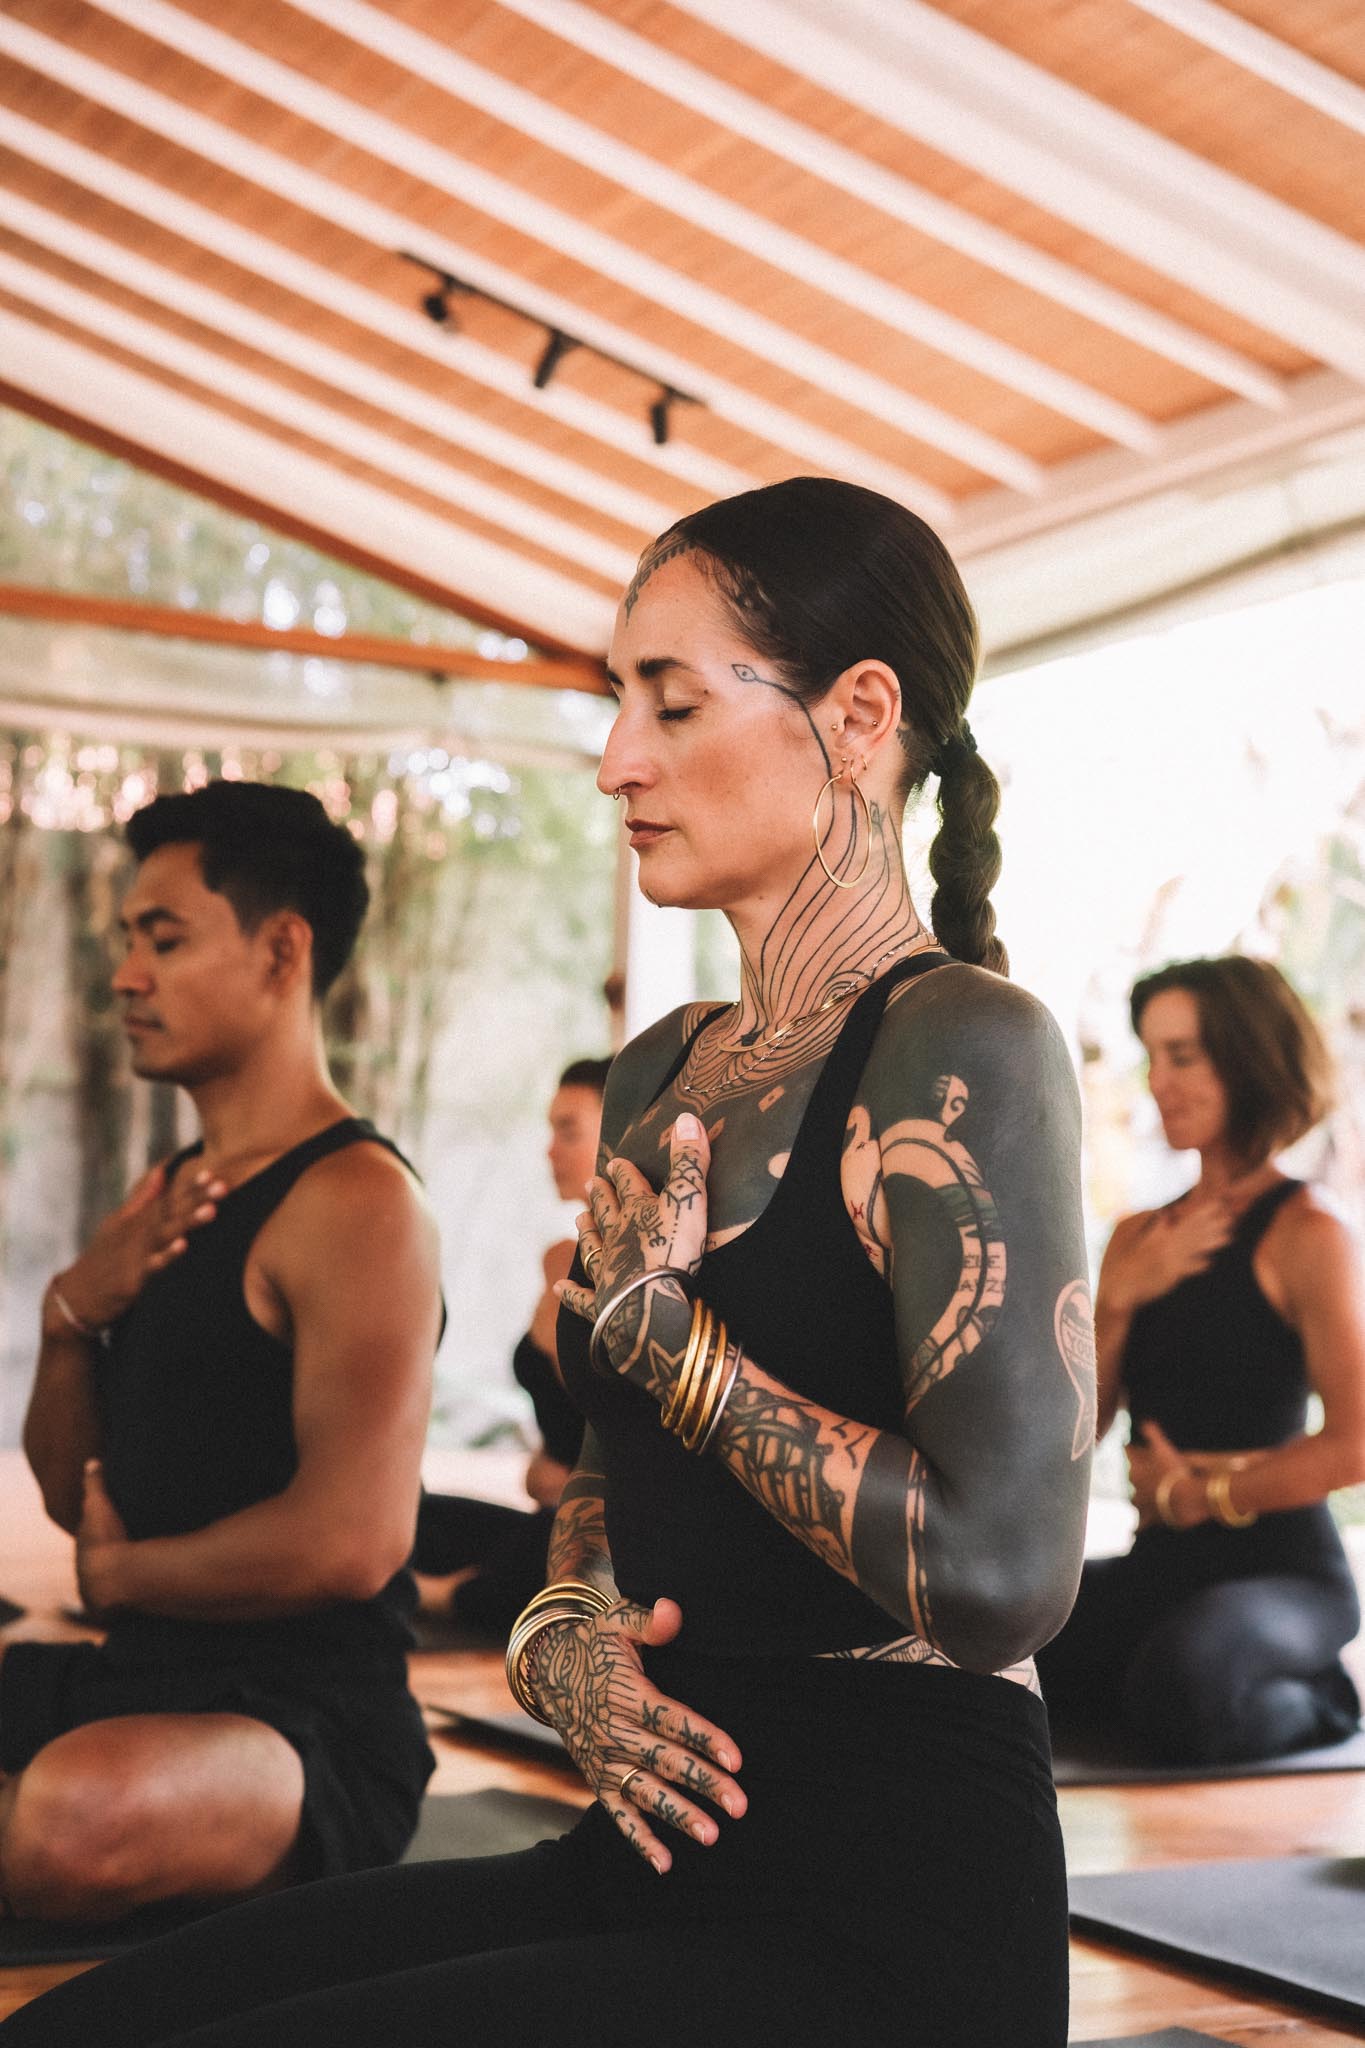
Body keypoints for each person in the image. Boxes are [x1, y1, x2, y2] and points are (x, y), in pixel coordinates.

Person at [2, 477, 1092, 2047]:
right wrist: (563, 1638)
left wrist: (674, 1345)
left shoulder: (964, 1047)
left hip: (887, 1904)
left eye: (669, 701)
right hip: (650, 1848)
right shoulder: (661, 1074)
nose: (615, 762)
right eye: (613, 704)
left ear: (858, 718)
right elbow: (600, 1476)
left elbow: (1003, 1577)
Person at [0, 781, 442, 1922]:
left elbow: (352, 1540)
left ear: (281, 949)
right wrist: (67, 1316)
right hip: (137, 1675)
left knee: (74, 1813)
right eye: (124, 942)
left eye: (164, 938)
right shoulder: (169, 1193)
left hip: (302, 1724)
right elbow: (73, 1493)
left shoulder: (360, 1200)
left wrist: (126, 1576)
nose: (126, 977)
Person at [1038, 955, 1365, 1765]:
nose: (1159, 1082)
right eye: (1152, 1056)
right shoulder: (1134, 1238)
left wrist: (1202, 1492)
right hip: (1163, 1566)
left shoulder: (1306, 1232)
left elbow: (1355, 1441)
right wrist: (1117, 1299)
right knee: (1006, 1662)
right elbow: (1079, 1430)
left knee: (1181, 1684)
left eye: (1183, 1056)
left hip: (1284, 1573)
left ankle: (1324, 1698)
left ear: (1248, 1057)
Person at [412, 1058, 607, 1634]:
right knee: (416, 1520)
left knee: (554, 1552)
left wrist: (560, 1479)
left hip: (601, 1529)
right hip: (546, 1517)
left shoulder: (646, 1277)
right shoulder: (557, 1259)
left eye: (567, 1130)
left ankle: (436, 1597)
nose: (549, 1150)